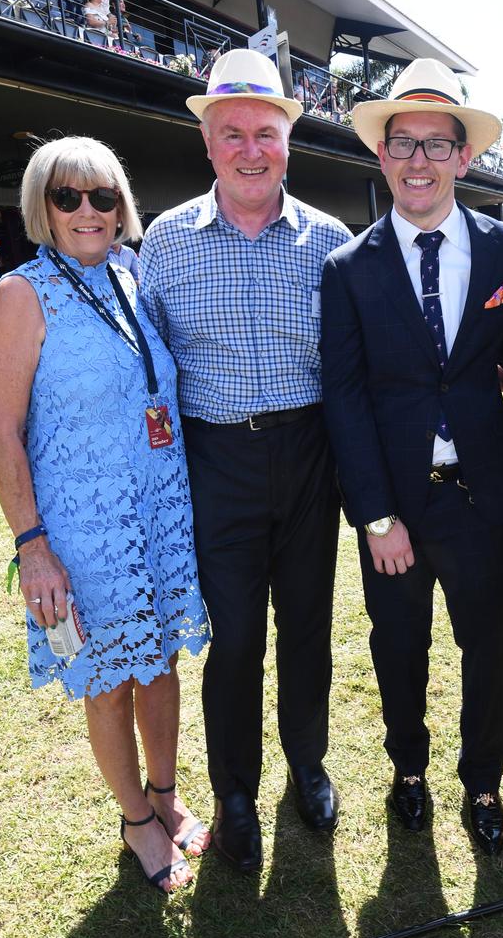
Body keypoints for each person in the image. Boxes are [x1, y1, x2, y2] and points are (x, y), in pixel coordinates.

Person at [0, 136, 211, 895]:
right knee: (109, 679)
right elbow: (1, 431)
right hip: (83, 529)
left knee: (164, 661)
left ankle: (167, 795)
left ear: (121, 206)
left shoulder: (132, 275)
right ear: (41, 207)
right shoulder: (22, 293)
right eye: (67, 196)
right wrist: (33, 546)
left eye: (102, 196)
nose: (87, 210)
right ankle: (136, 821)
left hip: (158, 511)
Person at [140, 49, 352, 874]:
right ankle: (234, 789)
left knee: (307, 628)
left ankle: (307, 761)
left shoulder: (331, 242)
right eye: (234, 133)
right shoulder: (164, 242)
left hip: (308, 454)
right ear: (208, 144)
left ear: (289, 143)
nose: (251, 148)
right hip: (215, 457)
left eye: (267, 132)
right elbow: (148, 369)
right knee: (234, 641)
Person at [320, 58, 503, 855]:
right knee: (399, 650)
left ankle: (483, 784)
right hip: (395, 510)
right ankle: (408, 771)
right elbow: (344, 398)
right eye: (401, 142)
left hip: (482, 499)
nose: (417, 160)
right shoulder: (347, 268)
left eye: (435, 144)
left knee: (487, 650)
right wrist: (376, 516)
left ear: (462, 157)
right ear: (382, 154)